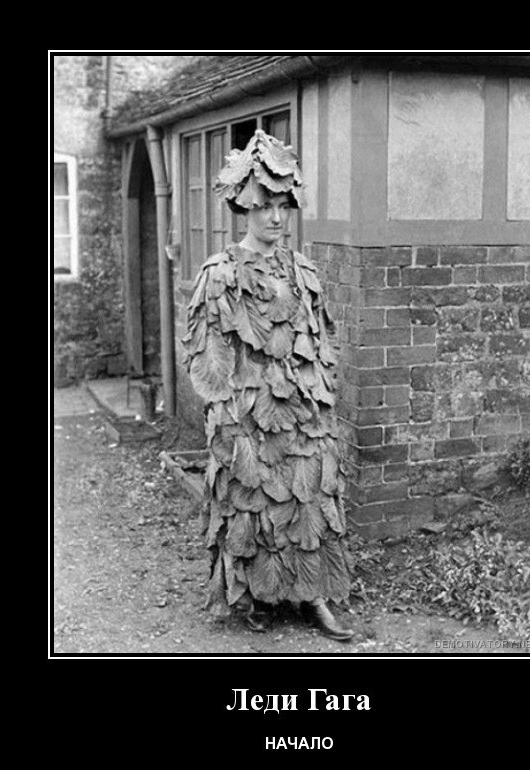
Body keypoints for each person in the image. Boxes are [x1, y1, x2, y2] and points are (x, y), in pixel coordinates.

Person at [182, 129, 354, 642]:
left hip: (302, 409)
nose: (276, 218)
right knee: (250, 501)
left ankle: (313, 595)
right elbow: (207, 354)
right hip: (247, 411)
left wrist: (321, 396)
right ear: (244, 209)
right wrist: (226, 415)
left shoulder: (303, 271)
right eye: (264, 207)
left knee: (311, 495)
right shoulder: (220, 273)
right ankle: (256, 594)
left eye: (282, 207)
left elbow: (321, 342)